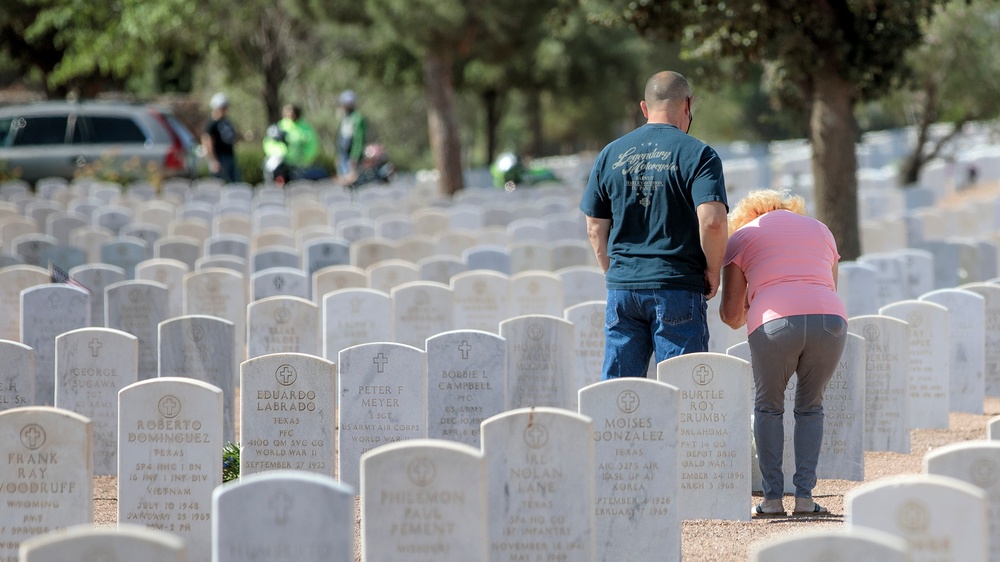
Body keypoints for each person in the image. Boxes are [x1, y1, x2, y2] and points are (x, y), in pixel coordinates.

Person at [580, 70, 729, 379]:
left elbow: (594, 226)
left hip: (623, 287)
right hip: (676, 284)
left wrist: (614, 271)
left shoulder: (610, 153)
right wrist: (713, 270)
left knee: (619, 394)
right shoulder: (699, 155)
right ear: (688, 105)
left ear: (644, 108)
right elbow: (713, 221)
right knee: (683, 391)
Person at [719, 189, 847, 518]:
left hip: (774, 323)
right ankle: (804, 498)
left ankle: (772, 500)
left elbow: (731, 314)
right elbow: (830, 286)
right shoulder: (820, 229)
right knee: (811, 407)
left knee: (768, 407)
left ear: (747, 215)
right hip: (830, 321)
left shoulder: (742, 236)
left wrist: (752, 305)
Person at [201, 93, 240, 183]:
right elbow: (207, 142)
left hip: (229, 155)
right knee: (221, 183)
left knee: (235, 183)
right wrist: (213, 160)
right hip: (220, 158)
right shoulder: (211, 123)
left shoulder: (226, 122)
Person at [336, 90, 367, 181]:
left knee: (352, 179)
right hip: (343, 154)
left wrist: (355, 156)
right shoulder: (345, 117)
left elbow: (359, 139)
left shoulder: (357, 117)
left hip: (351, 155)